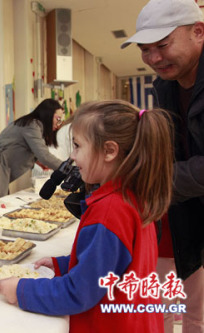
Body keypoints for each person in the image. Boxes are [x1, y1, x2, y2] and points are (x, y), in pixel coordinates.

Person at [0, 100, 173, 332]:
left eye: (78, 146)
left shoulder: (109, 212)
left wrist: (21, 290)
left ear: (109, 151)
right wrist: (65, 264)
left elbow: (79, 292)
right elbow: (112, 263)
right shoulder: (131, 196)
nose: (73, 157)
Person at [121, 0, 204, 331]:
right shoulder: (165, 86)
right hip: (186, 211)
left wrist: (157, 180)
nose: (153, 58)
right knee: (172, 306)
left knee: (195, 310)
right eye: (145, 49)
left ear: (198, 32)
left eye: (163, 45)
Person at [0, 98, 64, 207]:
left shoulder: (33, 124)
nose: (59, 124)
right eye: (58, 119)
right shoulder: (32, 125)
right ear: (48, 114)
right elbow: (44, 155)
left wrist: (39, 162)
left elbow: (36, 152)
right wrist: (65, 168)